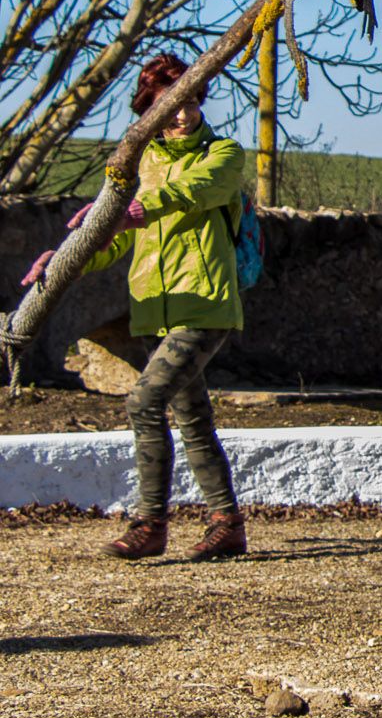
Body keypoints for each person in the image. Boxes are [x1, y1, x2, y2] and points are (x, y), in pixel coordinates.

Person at [21, 54, 249, 560]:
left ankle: (150, 523)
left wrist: (137, 207)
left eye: (190, 101)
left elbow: (194, 191)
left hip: (204, 306)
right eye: (171, 105)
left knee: (144, 402)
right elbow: (115, 241)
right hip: (154, 309)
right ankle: (227, 523)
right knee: (192, 419)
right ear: (149, 109)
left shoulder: (225, 154)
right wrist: (61, 261)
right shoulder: (140, 164)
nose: (184, 115)